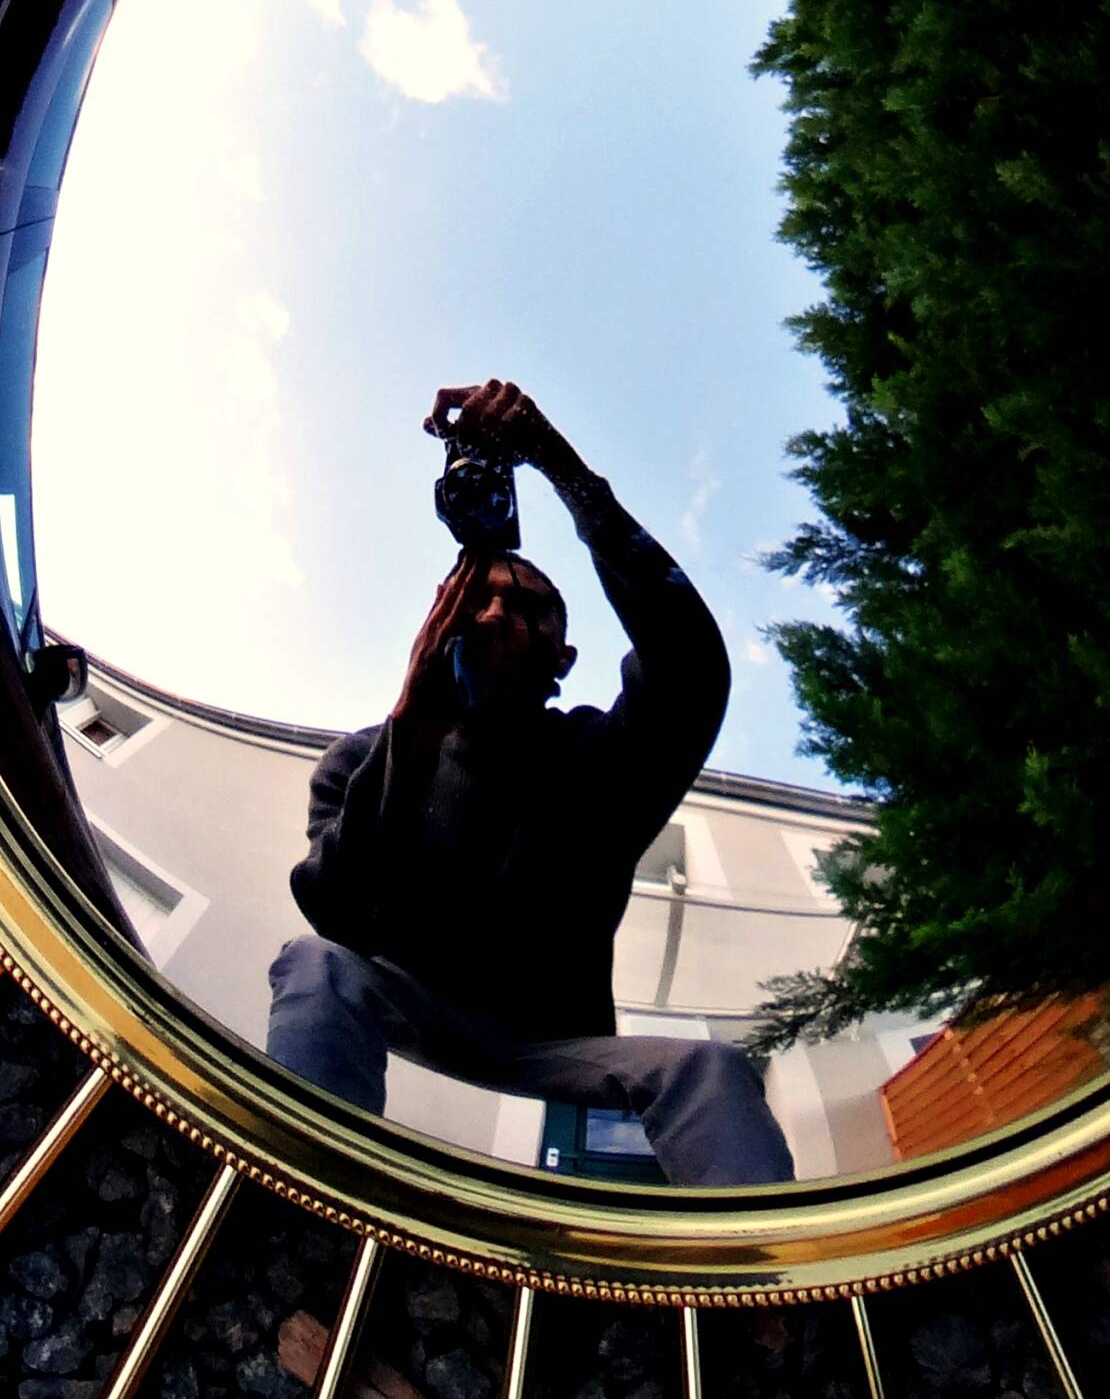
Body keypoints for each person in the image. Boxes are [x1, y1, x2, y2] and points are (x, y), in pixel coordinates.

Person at [265, 379, 795, 1186]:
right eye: (468, 602)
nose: (491, 615)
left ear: (562, 660)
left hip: (555, 1042)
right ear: (433, 632)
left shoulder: (599, 757)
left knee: (709, 1070)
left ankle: (772, 1298)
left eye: (527, 608)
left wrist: (553, 459)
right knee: (313, 964)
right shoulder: (367, 758)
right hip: (407, 998)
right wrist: (411, 729)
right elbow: (334, 911)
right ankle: (301, 1218)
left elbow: (687, 665)